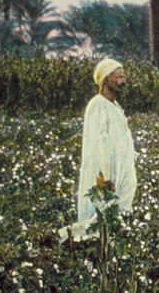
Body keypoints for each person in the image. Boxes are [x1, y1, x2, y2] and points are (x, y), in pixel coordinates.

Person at [59, 58, 137, 240]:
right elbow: (98, 145)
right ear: (104, 80)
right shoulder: (97, 105)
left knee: (114, 218)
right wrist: (105, 178)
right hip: (106, 174)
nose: (122, 81)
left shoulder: (115, 107)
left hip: (120, 170)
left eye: (123, 77)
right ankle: (65, 238)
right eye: (118, 77)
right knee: (98, 218)